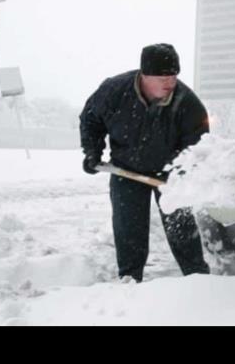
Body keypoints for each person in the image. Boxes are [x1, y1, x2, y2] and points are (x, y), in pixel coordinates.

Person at [79, 43, 210, 283]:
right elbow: (90, 120)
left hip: (170, 174)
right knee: (129, 228)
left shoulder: (186, 102)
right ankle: (130, 282)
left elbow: (199, 142)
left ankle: (198, 279)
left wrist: (183, 173)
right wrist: (92, 152)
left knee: (181, 227)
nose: (170, 82)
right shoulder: (114, 91)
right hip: (125, 170)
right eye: (163, 77)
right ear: (145, 75)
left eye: (173, 76)